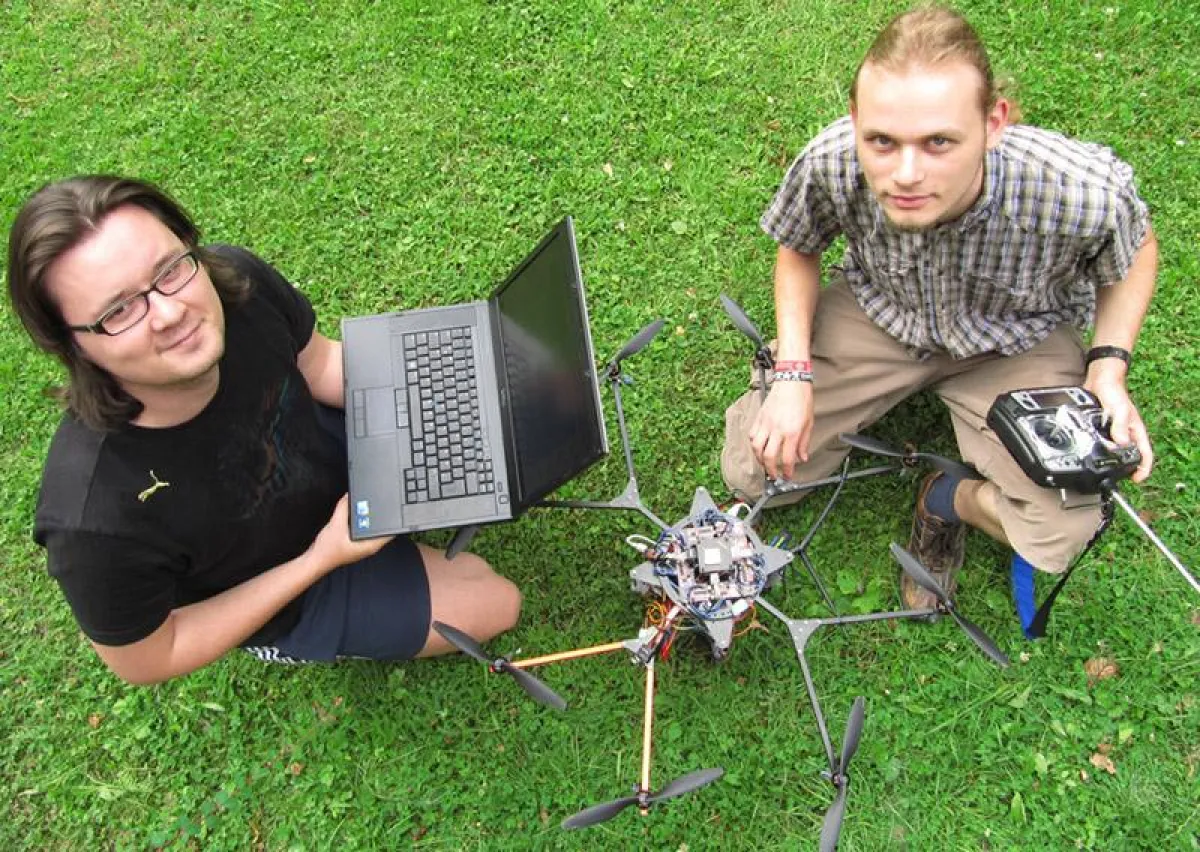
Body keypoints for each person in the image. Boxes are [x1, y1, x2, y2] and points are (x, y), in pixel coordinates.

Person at [721, 4, 1157, 624]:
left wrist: (1108, 367)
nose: (905, 173)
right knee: (752, 471)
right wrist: (792, 375)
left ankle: (948, 498)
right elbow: (798, 248)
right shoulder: (831, 161)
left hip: (1015, 342)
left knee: (1060, 533)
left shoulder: (1073, 186)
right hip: (884, 317)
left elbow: (1136, 248)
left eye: (939, 143)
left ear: (994, 122)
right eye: (882, 141)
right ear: (856, 122)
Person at [6, 175, 522, 684]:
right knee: (495, 601)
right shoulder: (94, 518)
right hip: (283, 586)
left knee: (515, 423)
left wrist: (457, 388)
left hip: (342, 472)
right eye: (119, 310)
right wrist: (322, 559)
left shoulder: (235, 284)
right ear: (70, 345)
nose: (169, 312)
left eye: (169, 270)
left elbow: (319, 366)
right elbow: (150, 658)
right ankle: (291, 639)